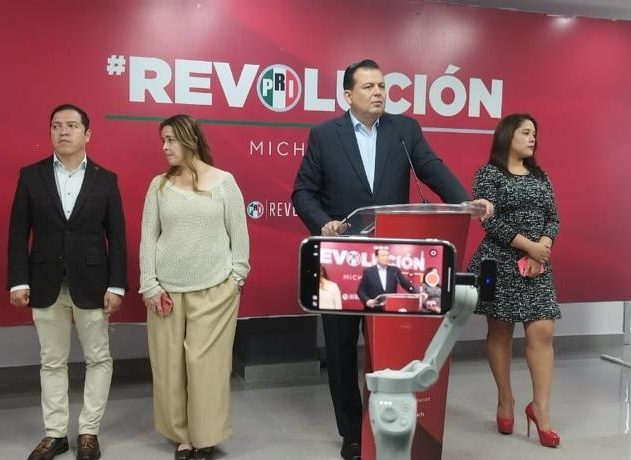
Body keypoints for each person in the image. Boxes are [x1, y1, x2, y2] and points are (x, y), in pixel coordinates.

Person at [291, 58, 493, 460]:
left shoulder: (404, 131)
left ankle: (391, 421)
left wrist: (463, 202)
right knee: (341, 349)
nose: (379, 93)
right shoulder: (324, 136)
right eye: (369, 87)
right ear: (348, 95)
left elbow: (431, 168)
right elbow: (302, 193)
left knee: (390, 347)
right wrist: (323, 222)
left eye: (382, 86)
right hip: (343, 259)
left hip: (393, 258)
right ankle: (352, 433)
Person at [7, 104, 127, 460]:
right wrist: (18, 280)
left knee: (98, 359)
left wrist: (117, 285)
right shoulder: (31, 176)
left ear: (87, 134)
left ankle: (89, 432)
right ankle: (55, 434)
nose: (63, 131)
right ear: (50, 132)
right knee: (52, 362)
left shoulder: (106, 180)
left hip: (93, 284)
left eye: (72, 125)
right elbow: (18, 234)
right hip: (44, 283)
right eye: (56, 125)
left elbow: (117, 237)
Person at [139, 114, 250, 460]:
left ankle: (206, 436)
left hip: (215, 290)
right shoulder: (159, 186)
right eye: (162, 140)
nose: (165, 147)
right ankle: (182, 437)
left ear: (190, 139)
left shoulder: (224, 183)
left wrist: (236, 279)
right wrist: (149, 285)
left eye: (171, 139)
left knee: (207, 367)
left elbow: (239, 236)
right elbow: (148, 238)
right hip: (166, 293)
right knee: (169, 367)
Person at [467, 113, 560, 447]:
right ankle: (505, 399)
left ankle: (540, 410)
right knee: (500, 331)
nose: (532, 138)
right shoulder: (488, 174)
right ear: (508, 136)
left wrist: (543, 246)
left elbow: (553, 217)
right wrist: (529, 247)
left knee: (543, 331)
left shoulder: (540, 175)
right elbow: (488, 222)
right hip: (499, 262)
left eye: (535, 133)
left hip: (537, 264)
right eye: (525, 132)